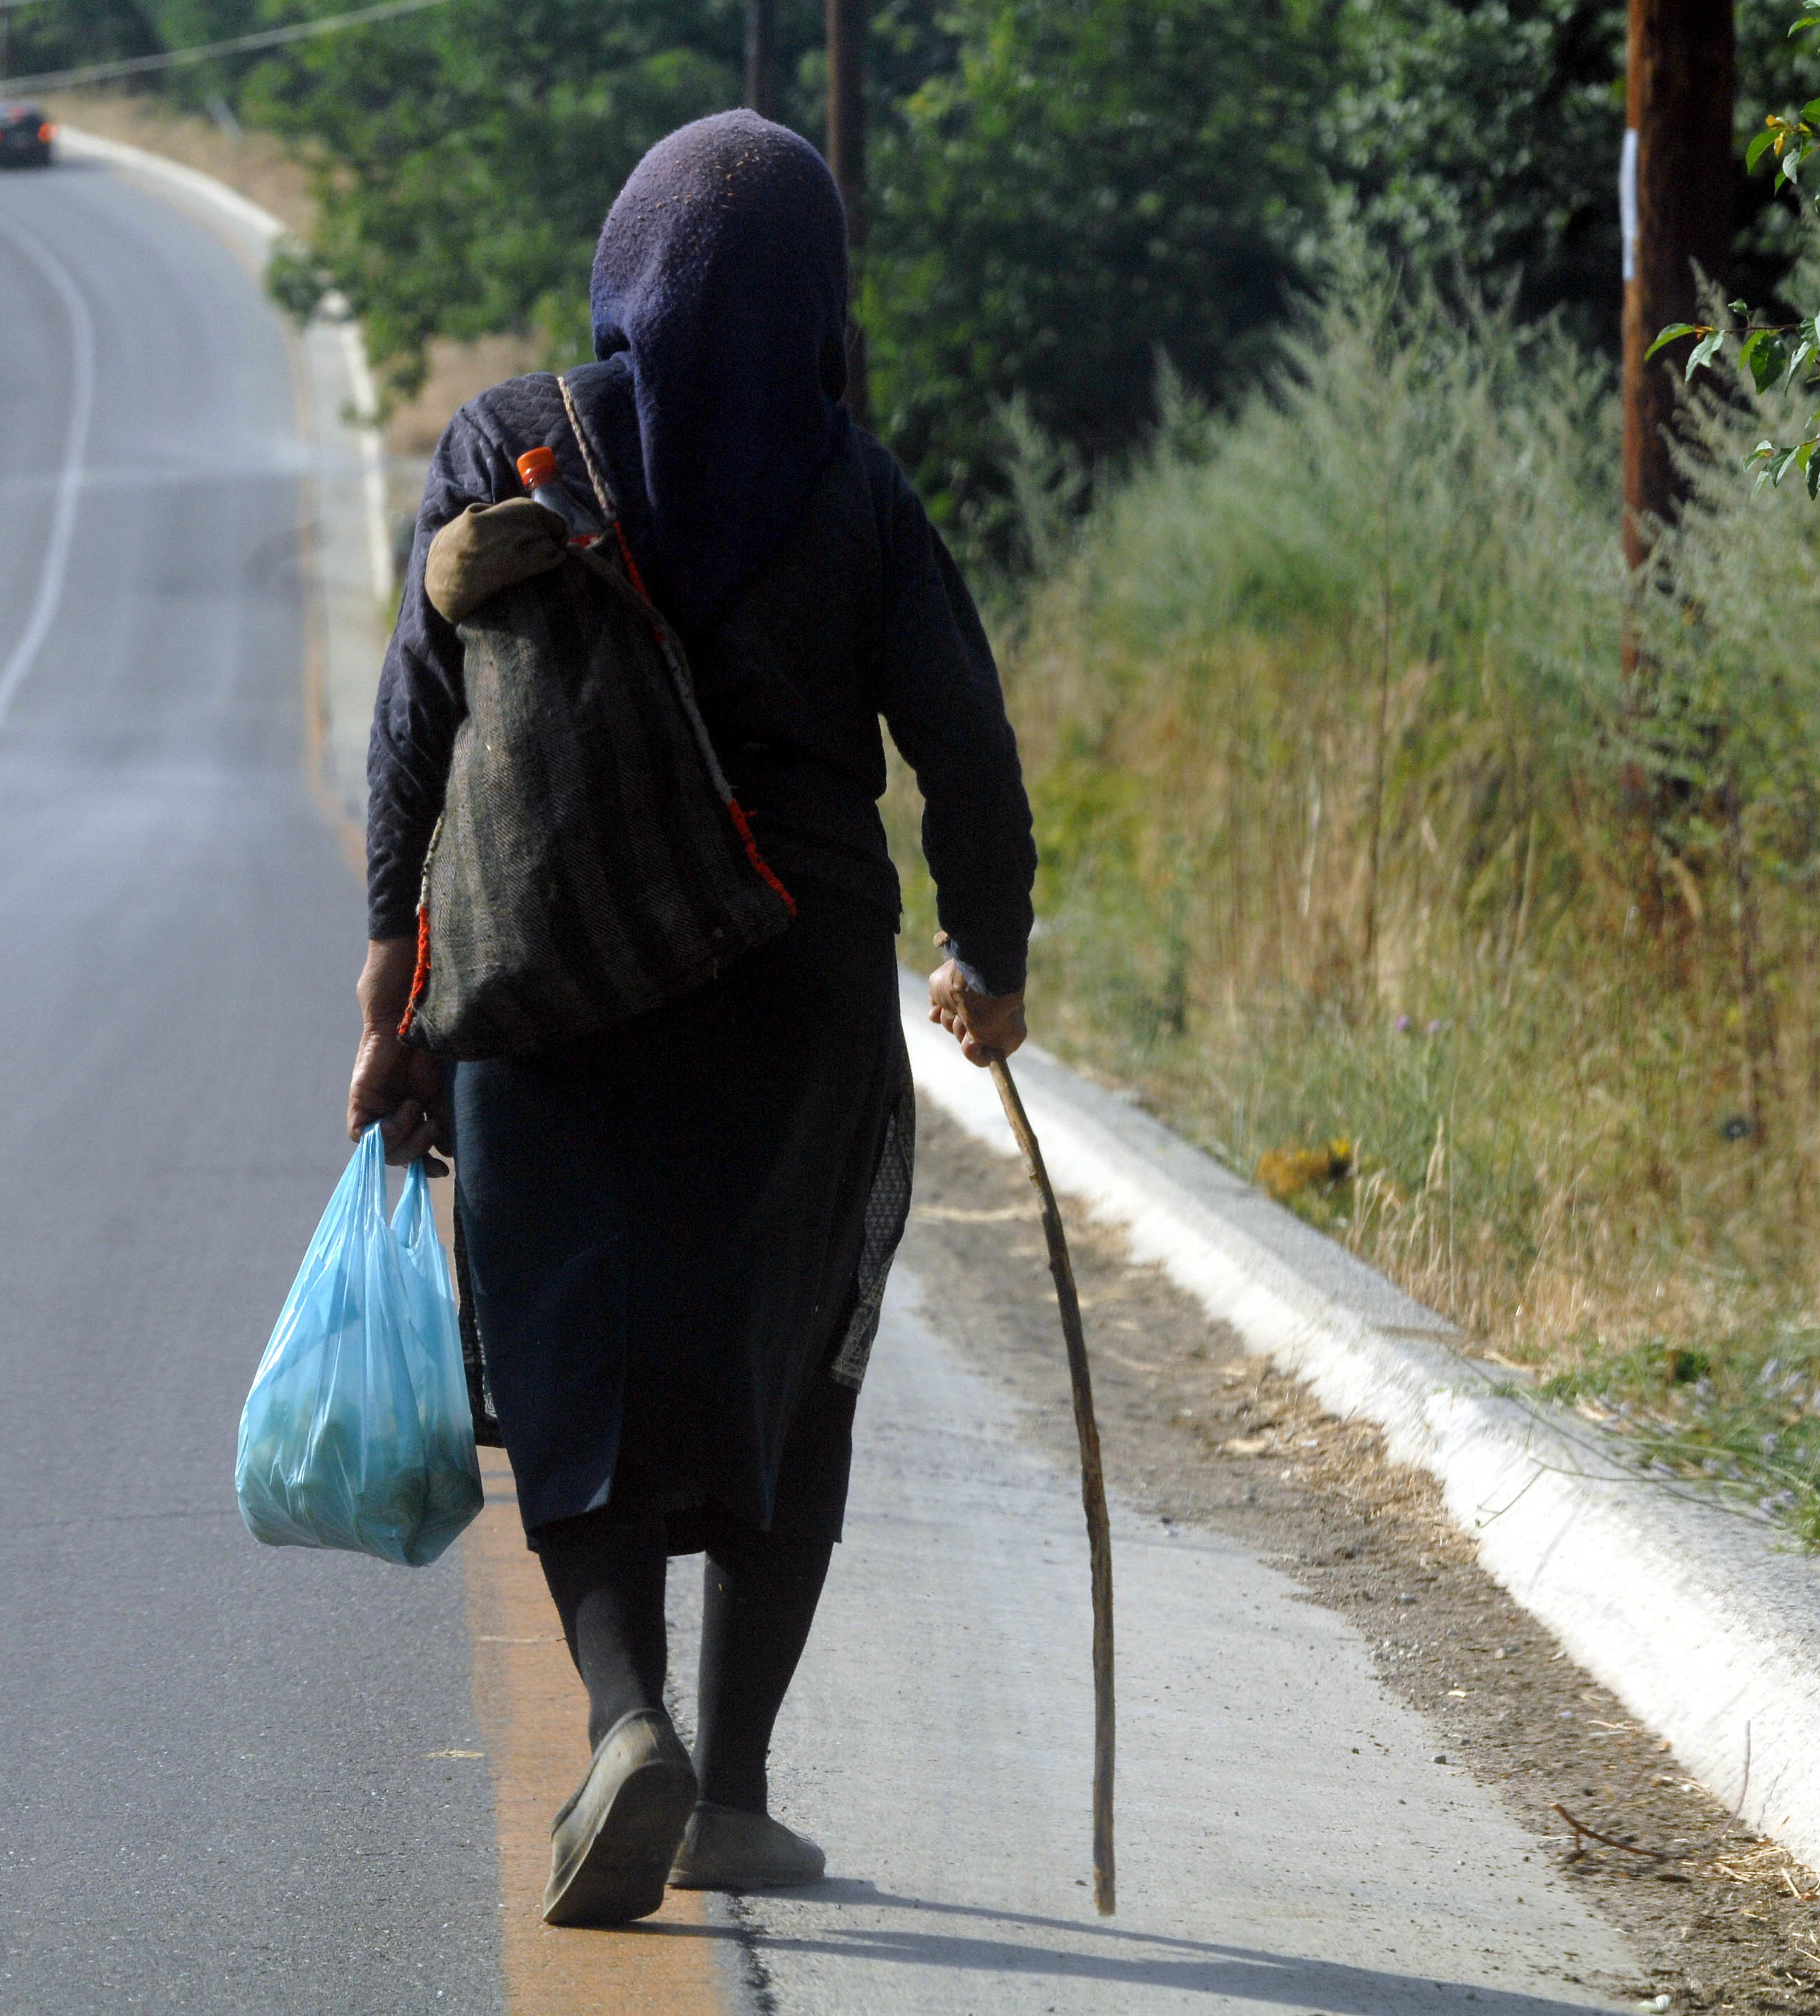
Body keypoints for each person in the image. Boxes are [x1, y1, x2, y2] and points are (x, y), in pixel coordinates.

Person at [346, 110, 1037, 1928]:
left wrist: (384, 987)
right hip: (791, 993)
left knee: (566, 1350)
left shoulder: (508, 448)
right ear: (817, 300)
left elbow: (414, 733)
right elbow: (963, 742)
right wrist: (989, 952)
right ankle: (728, 1789)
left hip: (539, 979)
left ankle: (622, 1715)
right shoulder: (849, 489)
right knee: (784, 1360)